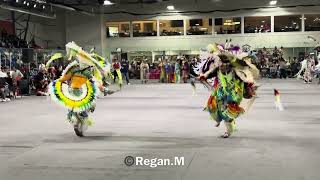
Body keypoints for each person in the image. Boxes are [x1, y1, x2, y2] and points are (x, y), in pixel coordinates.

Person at [195, 43, 259, 138]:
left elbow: (245, 79)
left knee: (229, 111)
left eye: (224, 65)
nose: (222, 66)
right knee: (216, 108)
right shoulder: (217, 70)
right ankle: (222, 121)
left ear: (229, 65)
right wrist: (203, 76)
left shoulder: (236, 71)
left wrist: (249, 84)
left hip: (234, 93)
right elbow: (208, 74)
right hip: (221, 92)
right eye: (220, 64)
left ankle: (228, 130)